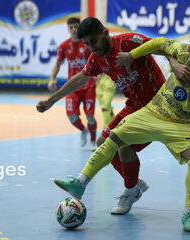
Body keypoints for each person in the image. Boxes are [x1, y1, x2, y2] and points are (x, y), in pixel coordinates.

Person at [52, 30, 190, 232]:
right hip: (153, 112)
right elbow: (160, 42)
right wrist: (132, 55)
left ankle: (188, 213)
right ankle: (80, 182)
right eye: (189, 52)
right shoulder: (182, 54)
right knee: (115, 135)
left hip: (183, 126)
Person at [37, 17, 172, 215]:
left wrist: (175, 66)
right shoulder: (96, 58)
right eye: (87, 44)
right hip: (134, 106)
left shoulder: (128, 41)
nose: (91, 47)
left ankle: (128, 191)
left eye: (94, 41)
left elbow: (164, 47)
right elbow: (80, 79)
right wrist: (51, 100)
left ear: (106, 33)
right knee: (103, 142)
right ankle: (133, 184)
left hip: (157, 107)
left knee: (123, 146)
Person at [48, 17, 98, 151]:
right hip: (72, 87)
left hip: (88, 85)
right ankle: (83, 130)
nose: (74, 29)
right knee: (71, 117)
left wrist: (98, 74)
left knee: (90, 116)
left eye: (77, 26)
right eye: (71, 27)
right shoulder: (64, 46)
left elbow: (97, 59)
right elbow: (57, 64)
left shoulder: (87, 44)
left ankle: (94, 141)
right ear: (68, 29)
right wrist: (52, 78)